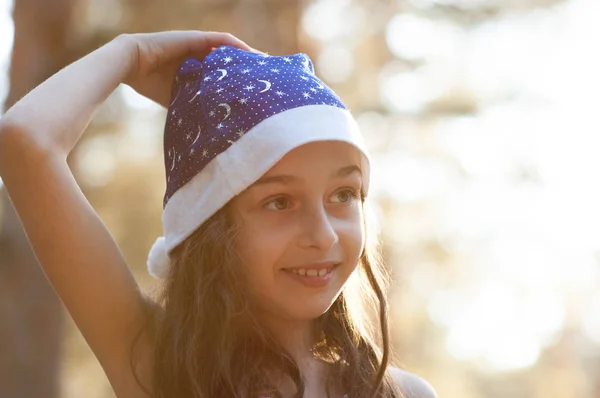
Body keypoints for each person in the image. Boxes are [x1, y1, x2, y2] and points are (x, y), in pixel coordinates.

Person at [0, 31, 436, 398]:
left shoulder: (405, 394)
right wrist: (132, 52)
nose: (323, 236)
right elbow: (24, 139)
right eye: (279, 202)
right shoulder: (159, 365)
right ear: (208, 223)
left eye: (343, 194)